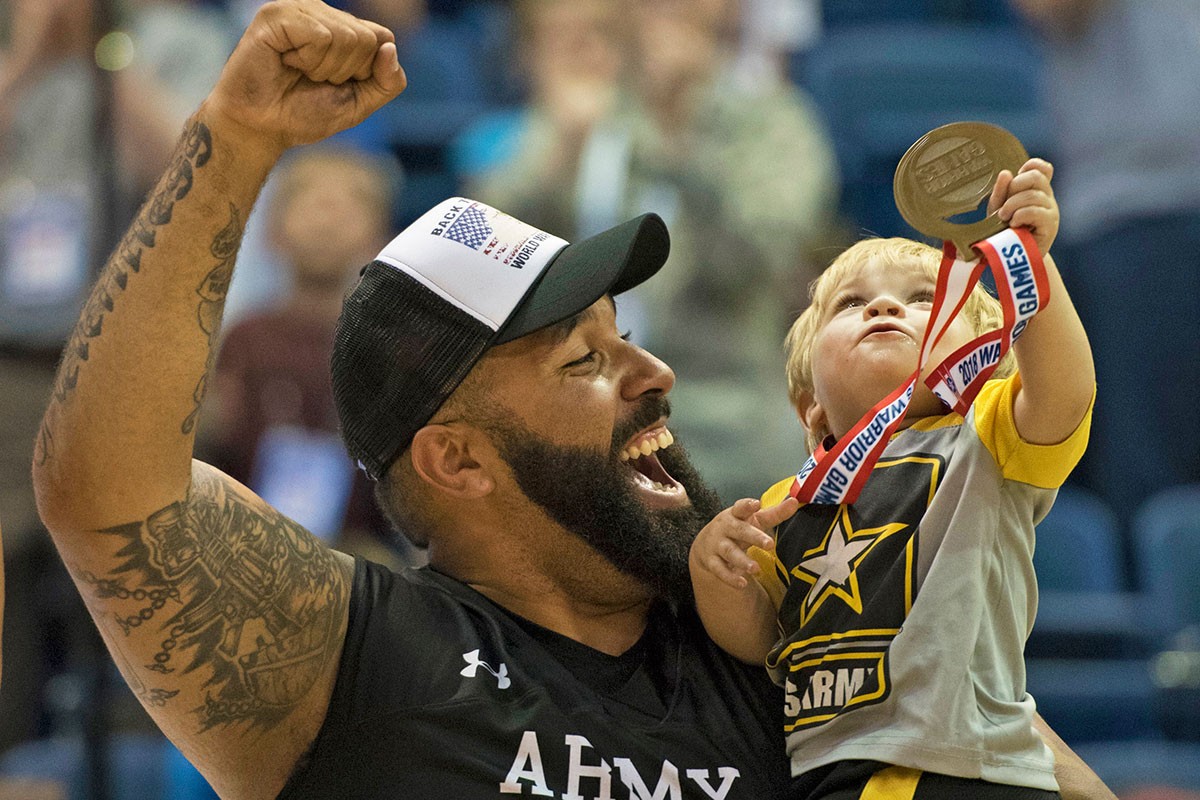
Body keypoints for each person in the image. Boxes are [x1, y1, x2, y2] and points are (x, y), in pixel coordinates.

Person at [30, 2, 1113, 798]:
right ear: (456, 457)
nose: (654, 376)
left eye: (624, 337)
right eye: (580, 362)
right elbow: (110, 494)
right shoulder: (362, 658)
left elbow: (1010, 747)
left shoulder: (773, 619)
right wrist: (233, 142)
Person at [690, 160, 1097, 797]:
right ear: (811, 409)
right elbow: (756, 637)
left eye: (924, 299)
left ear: (990, 363)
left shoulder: (987, 436)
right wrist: (713, 570)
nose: (883, 306)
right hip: (830, 775)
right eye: (850, 305)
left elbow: (1065, 392)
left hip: (975, 769)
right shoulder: (788, 501)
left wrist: (1031, 267)